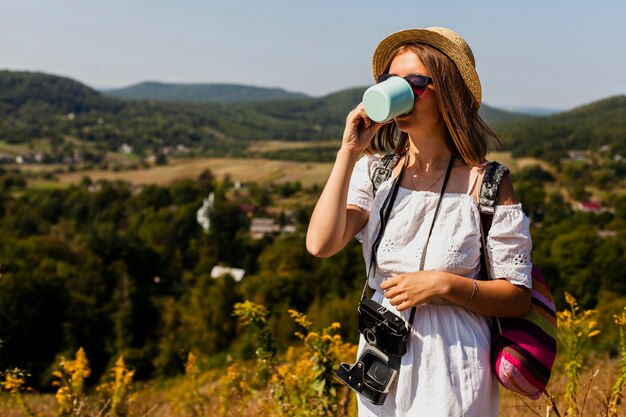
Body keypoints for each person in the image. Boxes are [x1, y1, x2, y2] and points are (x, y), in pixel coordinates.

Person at [306, 27, 533, 416]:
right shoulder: (376, 174)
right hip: (381, 356)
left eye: (414, 83)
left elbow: (518, 295)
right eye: (390, 82)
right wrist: (348, 152)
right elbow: (320, 244)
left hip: (453, 361)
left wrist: (447, 285)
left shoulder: (488, 183)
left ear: (449, 92)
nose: (401, 92)